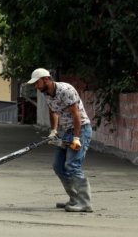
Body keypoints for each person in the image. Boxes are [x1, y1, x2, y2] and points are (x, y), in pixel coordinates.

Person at [27, 68, 93, 212]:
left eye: (37, 83)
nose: (36, 87)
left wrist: (76, 138)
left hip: (81, 130)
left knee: (72, 165)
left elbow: (76, 115)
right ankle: (74, 199)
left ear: (46, 79)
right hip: (66, 132)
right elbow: (53, 111)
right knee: (58, 165)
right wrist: (54, 131)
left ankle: (85, 203)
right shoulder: (47, 94)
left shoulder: (65, 90)